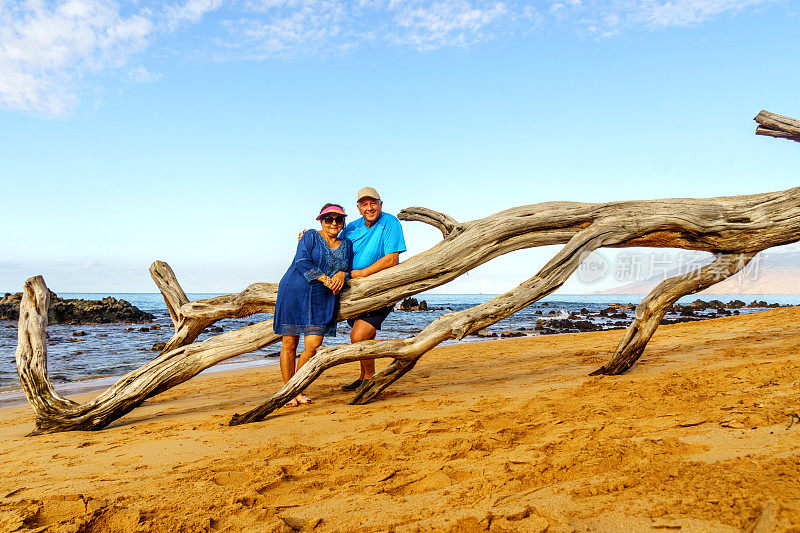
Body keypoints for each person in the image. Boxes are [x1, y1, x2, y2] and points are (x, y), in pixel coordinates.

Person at [273, 203, 353, 407]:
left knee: (312, 345)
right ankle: (289, 392)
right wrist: (326, 279)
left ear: (343, 222)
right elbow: (301, 261)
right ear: (321, 220)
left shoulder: (347, 245)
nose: (333, 223)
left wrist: (343, 274)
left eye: (338, 219)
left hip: (322, 297)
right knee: (289, 343)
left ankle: (297, 388)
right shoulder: (310, 236)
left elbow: (347, 267)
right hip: (295, 290)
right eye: (329, 219)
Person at [340, 187, 406, 391]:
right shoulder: (351, 228)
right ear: (358, 208)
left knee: (358, 338)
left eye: (373, 203)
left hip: (381, 289)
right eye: (365, 204)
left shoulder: (390, 222)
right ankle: (363, 377)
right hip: (355, 291)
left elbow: (392, 259)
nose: (369, 208)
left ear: (380, 204)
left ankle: (370, 379)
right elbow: (334, 247)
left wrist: (363, 273)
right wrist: (310, 239)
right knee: (365, 337)